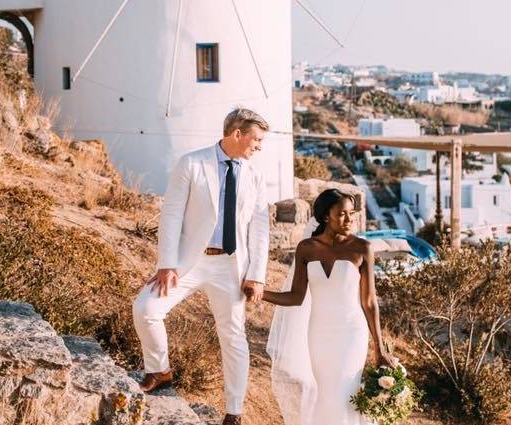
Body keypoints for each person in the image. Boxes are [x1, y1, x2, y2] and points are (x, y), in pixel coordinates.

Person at [132, 108, 270, 425]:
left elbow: (259, 230)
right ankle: (160, 371)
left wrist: (257, 276)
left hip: (231, 267)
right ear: (237, 134)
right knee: (146, 308)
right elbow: (171, 215)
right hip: (187, 262)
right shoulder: (192, 163)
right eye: (256, 139)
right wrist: (167, 263)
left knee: (233, 336)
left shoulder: (256, 175)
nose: (259, 146)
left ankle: (234, 411)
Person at [256, 189, 397, 425]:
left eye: (351, 213)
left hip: (351, 333)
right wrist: (261, 294)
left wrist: (379, 349)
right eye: (342, 214)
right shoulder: (306, 248)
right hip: (319, 334)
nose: (349, 219)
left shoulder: (362, 248)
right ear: (325, 216)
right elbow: (295, 297)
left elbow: (369, 302)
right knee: (326, 394)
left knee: (347, 392)